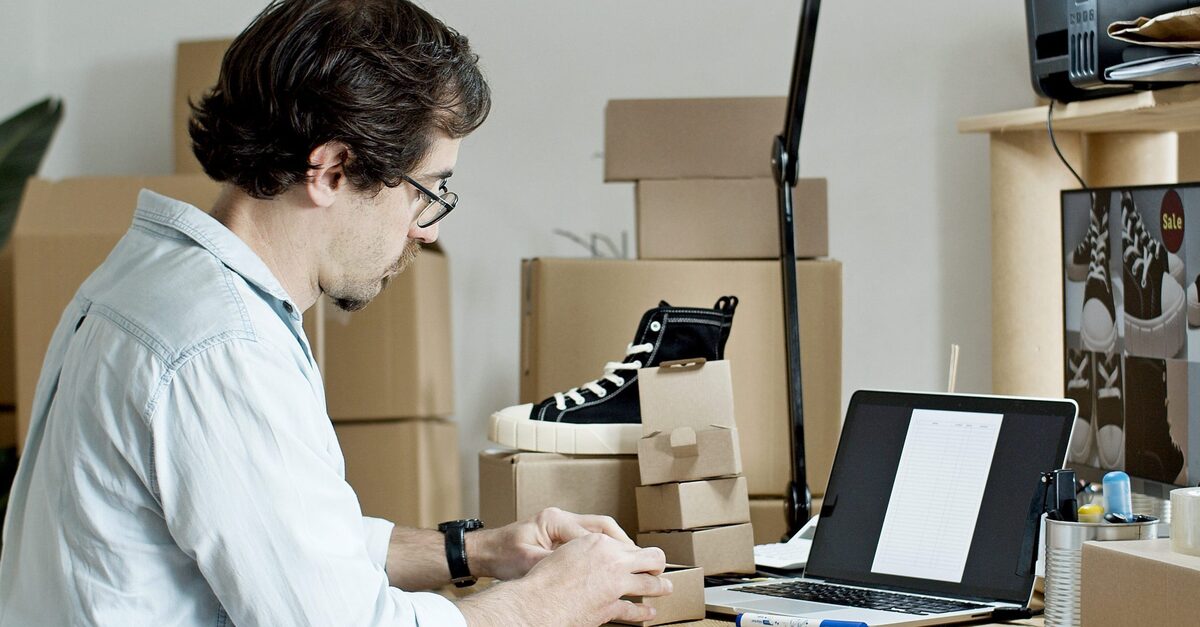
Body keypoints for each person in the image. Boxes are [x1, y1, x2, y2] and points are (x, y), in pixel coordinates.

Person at [0, 1, 671, 625]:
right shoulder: (221, 346)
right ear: (330, 170)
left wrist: (478, 550)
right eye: (425, 190)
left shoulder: (156, 281)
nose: (426, 228)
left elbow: (287, 541)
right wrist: (550, 598)